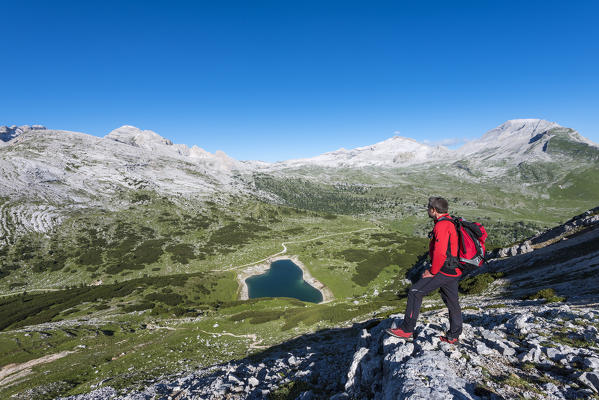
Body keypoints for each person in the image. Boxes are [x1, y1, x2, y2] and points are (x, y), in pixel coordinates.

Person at [386, 196, 463, 344]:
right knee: (452, 301)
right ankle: (453, 336)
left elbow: (440, 253)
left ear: (434, 210)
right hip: (454, 269)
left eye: (429, 208)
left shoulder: (441, 226)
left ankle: (406, 330)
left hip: (443, 270)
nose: (427, 210)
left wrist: (432, 271)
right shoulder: (450, 222)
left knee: (415, 292)